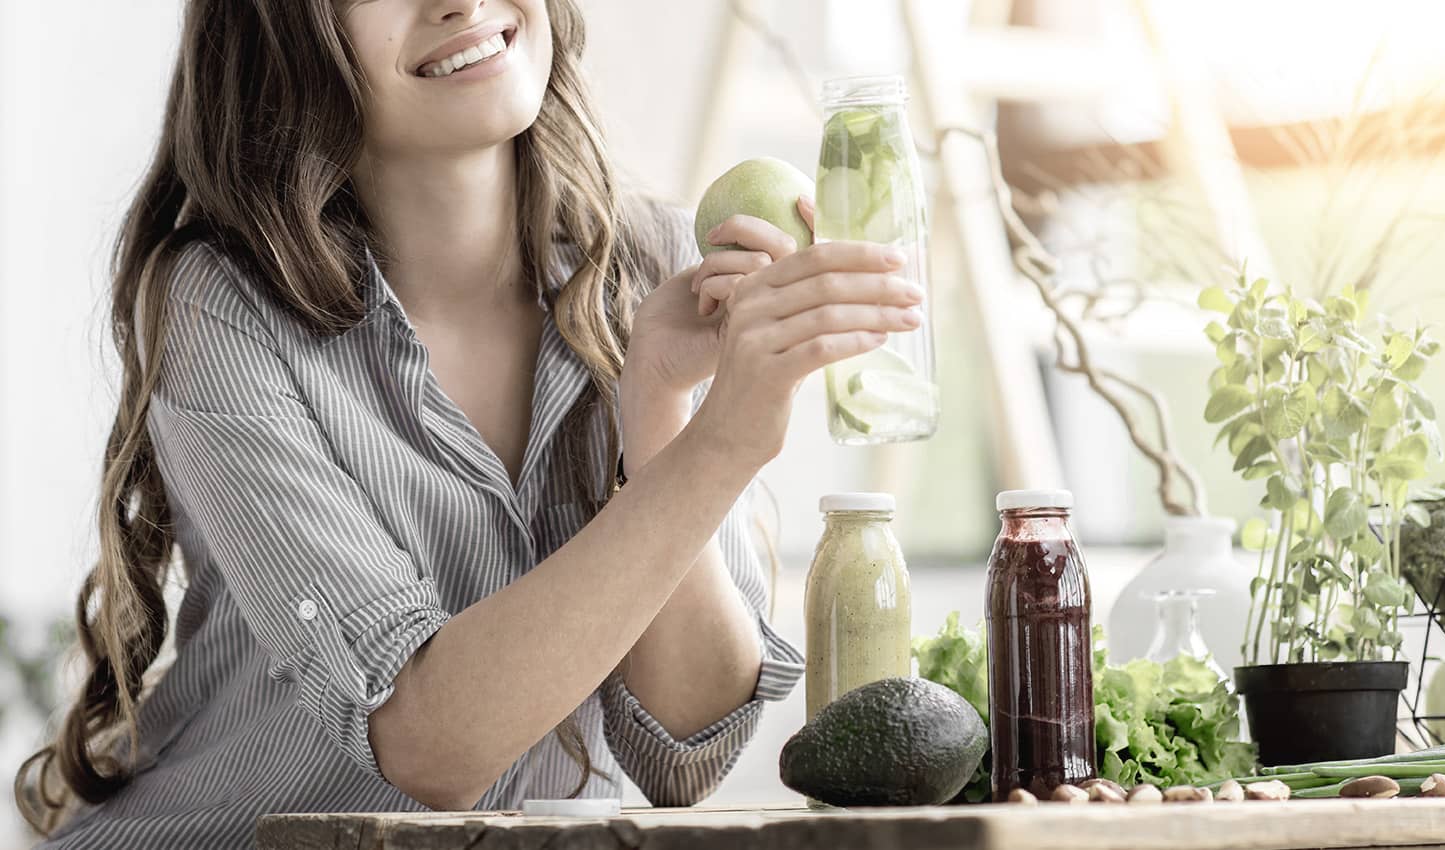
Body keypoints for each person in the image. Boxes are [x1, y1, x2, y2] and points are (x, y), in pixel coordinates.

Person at [12, 0, 925, 846]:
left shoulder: (658, 266)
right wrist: (725, 441)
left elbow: (684, 753)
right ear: (283, 29)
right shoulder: (221, 308)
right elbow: (427, 745)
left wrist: (662, 412)